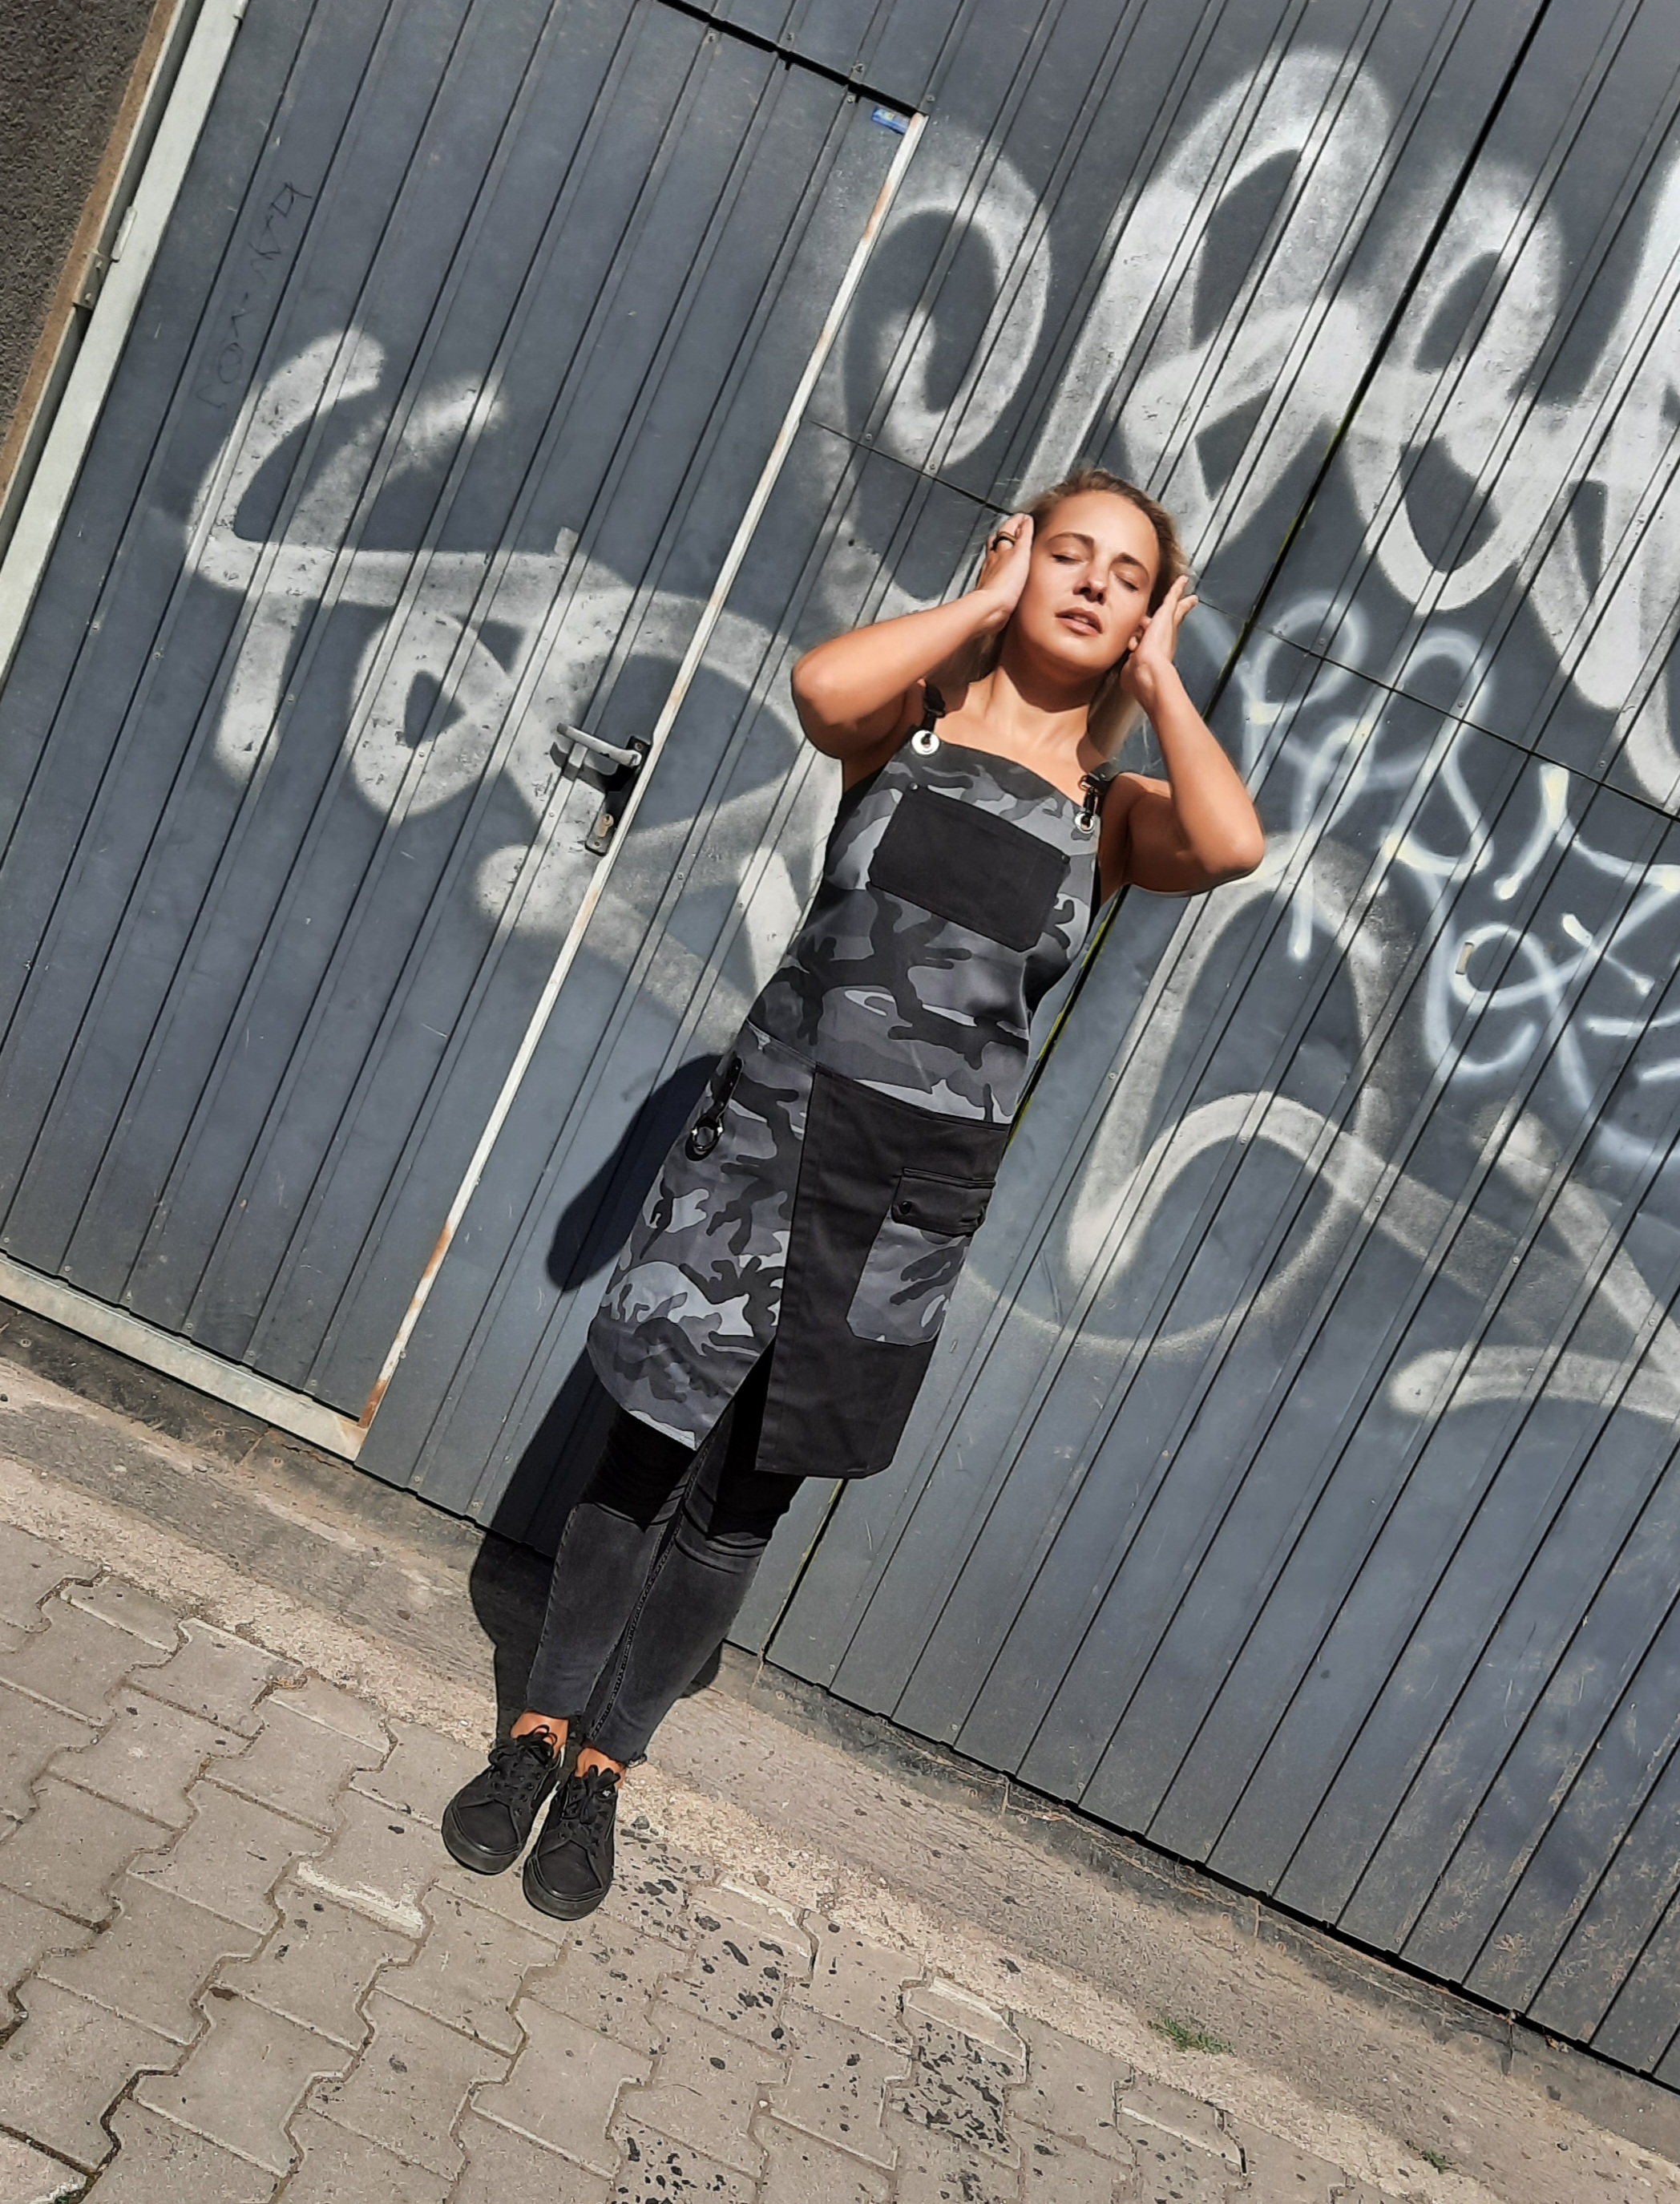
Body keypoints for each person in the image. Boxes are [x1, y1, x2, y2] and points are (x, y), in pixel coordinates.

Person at [442, 467, 1265, 1919]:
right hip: (757, 1160)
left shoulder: (1113, 814)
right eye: (1067, 554)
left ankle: (609, 1766)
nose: (1091, 582)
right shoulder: (906, 728)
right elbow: (822, 684)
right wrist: (985, 601)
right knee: (641, 1455)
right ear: (1017, 559)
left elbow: (1234, 842)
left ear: (1153, 611)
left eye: (1126, 574)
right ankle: (535, 1734)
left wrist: (1159, 679)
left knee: (744, 1501)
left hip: (903, 1212)